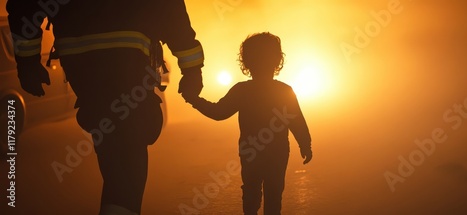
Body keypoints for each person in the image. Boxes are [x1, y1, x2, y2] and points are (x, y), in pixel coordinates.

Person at [6, 0, 204, 214]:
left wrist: (27, 62)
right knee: (130, 143)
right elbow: (171, 12)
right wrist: (192, 69)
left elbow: (24, 6)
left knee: (114, 139)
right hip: (130, 57)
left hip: (81, 62)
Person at [182, 32, 312, 215]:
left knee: (251, 192)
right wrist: (305, 144)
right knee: (274, 195)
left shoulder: (242, 91)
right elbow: (297, 121)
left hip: (251, 151)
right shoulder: (285, 91)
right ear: (277, 60)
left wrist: (195, 100)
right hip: (278, 152)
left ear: (246, 62)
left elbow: (219, 112)